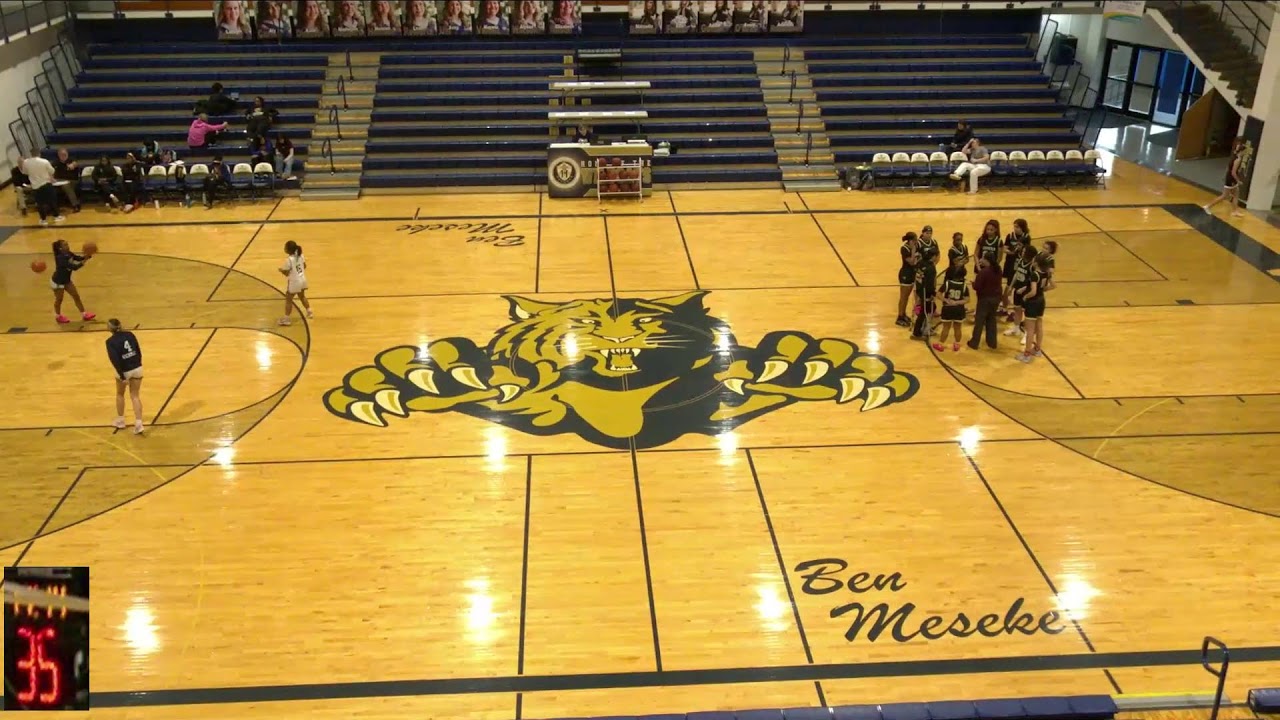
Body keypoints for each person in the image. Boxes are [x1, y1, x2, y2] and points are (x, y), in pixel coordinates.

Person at [105, 318, 145, 435]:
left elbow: (115, 360)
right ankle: (139, 423)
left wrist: (122, 376)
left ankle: (121, 420)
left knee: (120, 394)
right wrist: (137, 364)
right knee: (135, 396)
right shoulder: (130, 334)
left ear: (109, 328)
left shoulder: (110, 341)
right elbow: (138, 350)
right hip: (137, 367)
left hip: (124, 370)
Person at [49, 239, 95, 324]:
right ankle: (58, 316)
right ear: (60, 248)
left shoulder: (68, 253)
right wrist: (85, 260)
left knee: (76, 296)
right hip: (58, 282)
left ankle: (84, 314)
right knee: (59, 300)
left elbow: (78, 258)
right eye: (65, 245)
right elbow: (74, 267)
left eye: (67, 244)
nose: (67, 246)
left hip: (66, 280)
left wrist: (86, 255)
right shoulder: (60, 258)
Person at [1016, 256, 1048, 363]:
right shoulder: (1045, 273)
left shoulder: (1035, 274)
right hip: (1041, 300)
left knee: (1029, 330)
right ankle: (1037, 349)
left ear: (1036, 263)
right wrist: (1041, 290)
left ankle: (1027, 354)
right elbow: (1052, 285)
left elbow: (1033, 291)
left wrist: (1025, 296)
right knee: (1039, 326)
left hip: (1033, 302)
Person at [1203, 137, 1246, 218]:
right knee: (1224, 196)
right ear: (1242, 151)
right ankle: (1207, 206)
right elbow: (1233, 172)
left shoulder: (1234, 155)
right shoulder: (1237, 160)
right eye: (1244, 151)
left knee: (1236, 194)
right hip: (1231, 179)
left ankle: (1235, 211)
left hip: (1229, 178)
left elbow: (1228, 168)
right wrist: (1238, 181)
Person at [967, 257, 1002, 350]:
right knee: (991, 319)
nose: (981, 260)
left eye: (983, 258)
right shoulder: (998, 270)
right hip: (996, 298)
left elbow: (977, 286)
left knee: (979, 321)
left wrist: (973, 284)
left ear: (987, 260)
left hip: (985, 299)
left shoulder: (983, 272)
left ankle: (974, 343)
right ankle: (992, 343)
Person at [20, 153, 65, 227]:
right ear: (39, 154)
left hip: (35, 186)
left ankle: (43, 220)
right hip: (46, 183)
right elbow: (52, 171)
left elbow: (25, 172)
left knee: (40, 204)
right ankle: (56, 216)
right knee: (52, 200)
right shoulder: (44, 161)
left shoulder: (26, 162)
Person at [935, 258, 969, 352]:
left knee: (946, 327)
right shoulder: (964, 285)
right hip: (959, 309)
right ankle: (957, 344)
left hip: (948, 308)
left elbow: (938, 294)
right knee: (958, 327)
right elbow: (967, 299)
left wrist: (945, 300)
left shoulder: (947, 284)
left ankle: (941, 344)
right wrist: (957, 302)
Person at [1000, 217, 1030, 317]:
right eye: (1014, 226)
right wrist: (1010, 252)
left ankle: (1015, 309)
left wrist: (1020, 250)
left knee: (1017, 288)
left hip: (1020, 265)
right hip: (1010, 263)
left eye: (1017, 227)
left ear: (1022, 228)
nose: (1015, 228)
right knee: (1008, 287)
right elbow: (1004, 248)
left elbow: (1027, 251)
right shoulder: (1010, 236)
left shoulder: (1026, 237)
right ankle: (1005, 308)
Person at [278, 240, 313, 325]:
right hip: (303, 279)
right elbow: (304, 266)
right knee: (302, 296)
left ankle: (286, 319)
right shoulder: (300, 256)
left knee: (289, 300)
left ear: (288, 250)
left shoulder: (289, 260)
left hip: (294, 282)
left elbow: (286, 273)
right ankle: (309, 312)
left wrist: (281, 270)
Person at [895, 231, 920, 327]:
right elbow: (912, 262)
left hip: (912, 274)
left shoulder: (915, 246)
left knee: (907, 297)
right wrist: (913, 251)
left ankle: (904, 314)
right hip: (905, 274)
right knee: (903, 297)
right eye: (914, 240)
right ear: (909, 241)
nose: (916, 242)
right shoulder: (904, 249)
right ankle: (899, 316)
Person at [911, 257, 938, 341]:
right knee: (925, 311)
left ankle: (924, 328)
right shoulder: (931, 268)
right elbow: (930, 283)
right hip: (926, 292)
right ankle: (918, 331)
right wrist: (932, 293)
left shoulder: (920, 263)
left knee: (928, 309)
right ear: (933, 256)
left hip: (920, 290)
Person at [51, 148, 81, 212]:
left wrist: (73, 165)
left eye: (65, 154)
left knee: (66, 186)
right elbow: (51, 172)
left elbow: (76, 163)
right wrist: (52, 178)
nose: (63, 156)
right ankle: (52, 207)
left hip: (72, 180)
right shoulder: (55, 162)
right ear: (58, 155)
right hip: (59, 180)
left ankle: (75, 205)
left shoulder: (72, 159)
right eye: (61, 155)